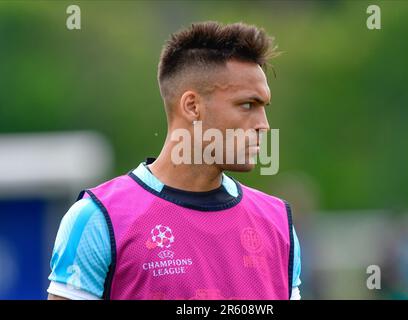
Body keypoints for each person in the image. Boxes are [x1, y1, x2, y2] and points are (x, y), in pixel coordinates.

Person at [48, 21, 302, 300]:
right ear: (192, 106)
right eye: (247, 105)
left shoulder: (278, 225)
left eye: (263, 107)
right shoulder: (98, 219)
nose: (264, 125)